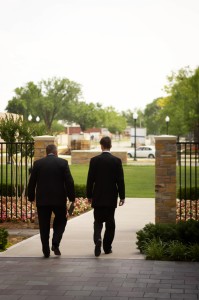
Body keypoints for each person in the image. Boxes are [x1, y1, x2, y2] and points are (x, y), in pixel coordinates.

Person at [28, 144, 75, 258]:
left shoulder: (38, 164)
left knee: (44, 225)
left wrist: (31, 197)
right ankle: (55, 242)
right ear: (56, 152)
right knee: (61, 220)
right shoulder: (62, 163)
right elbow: (69, 182)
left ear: (46, 152)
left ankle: (45, 248)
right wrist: (72, 198)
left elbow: (32, 182)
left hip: (42, 200)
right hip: (58, 200)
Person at [86, 136, 125, 257]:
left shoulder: (94, 160)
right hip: (111, 198)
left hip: (97, 197)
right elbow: (120, 181)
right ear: (111, 145)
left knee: (97, 222)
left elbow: (90, 180)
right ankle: (107, 247)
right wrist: (122, 196)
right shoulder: (116, 161)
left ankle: (98, 239)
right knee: (110, 223)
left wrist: (89, 195)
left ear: (101, 146)